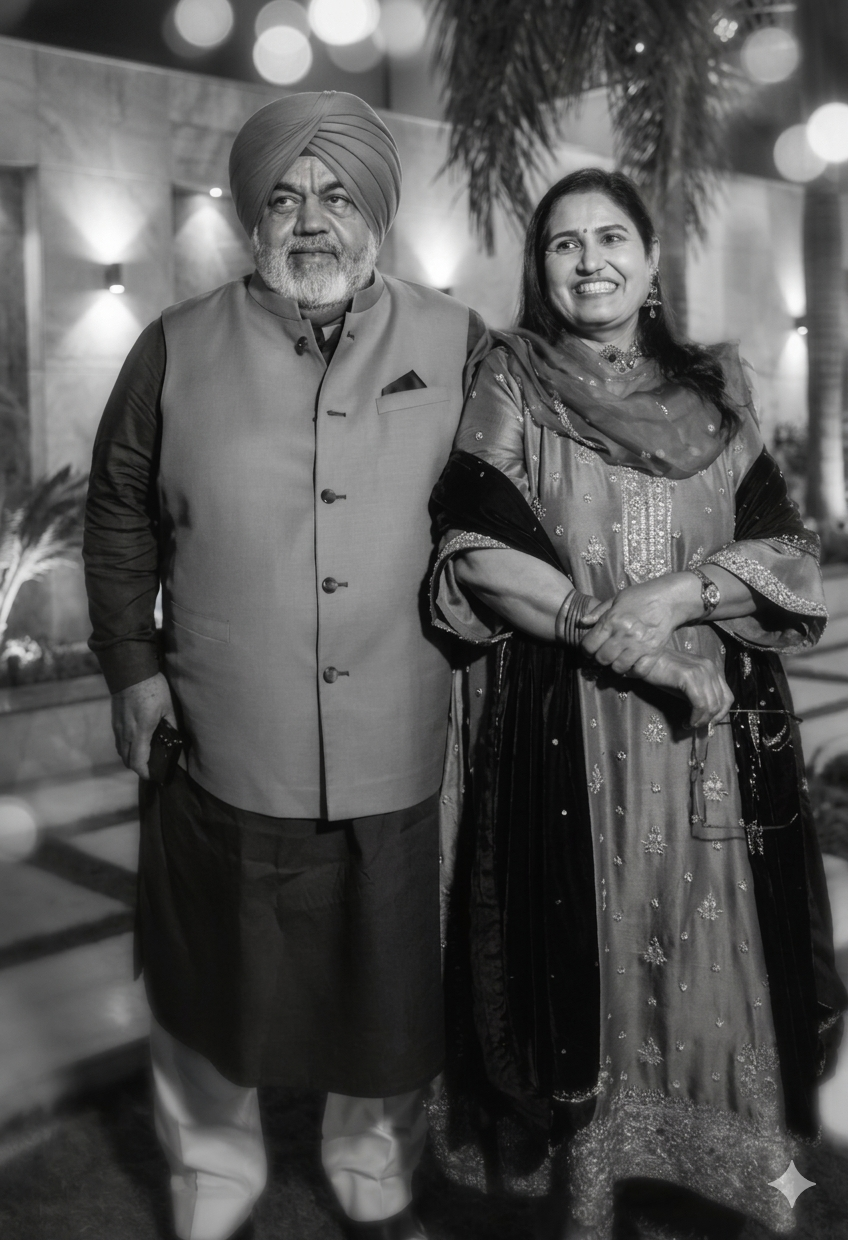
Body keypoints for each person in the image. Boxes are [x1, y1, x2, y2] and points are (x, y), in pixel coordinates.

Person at [83, 91, 486, 1240]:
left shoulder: (458, 341)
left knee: (390, 981)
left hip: (398, 727)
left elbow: (519, 501)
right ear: (252, 214)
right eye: (285, 196)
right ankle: (212, 1178)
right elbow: (117, 510)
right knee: (207, 977)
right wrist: (131, 665)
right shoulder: (172, 344)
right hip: (220, 734)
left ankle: (372, 1165)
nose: (311, 219)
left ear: (376, 213)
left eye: (337, 195)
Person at [428, 168, 846, 1239]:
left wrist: (673, 596)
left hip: (714, 737)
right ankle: (595, 1176)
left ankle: (738, 1162)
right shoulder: (511, 379)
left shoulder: (715, 393)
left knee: (720, 937)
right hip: (571, 724)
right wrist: (607, 630)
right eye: (563, 243)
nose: (589, 261)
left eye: (610, 237)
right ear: (541, 268)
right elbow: (475, 546)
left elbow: (789, 551)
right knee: (590, 935)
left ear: (651, 259)